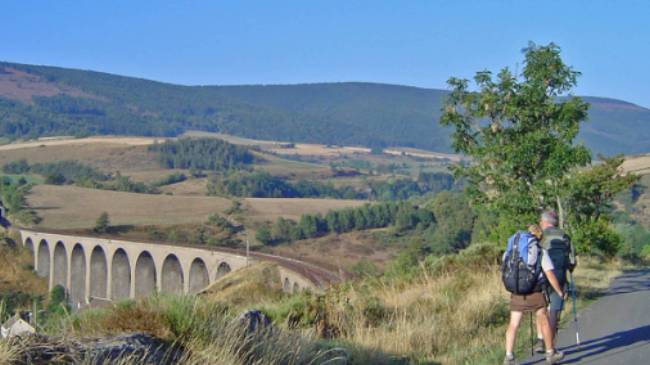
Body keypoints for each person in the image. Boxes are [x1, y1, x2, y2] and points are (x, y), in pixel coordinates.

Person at [503, 222, 566, 365]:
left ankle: (508, 357)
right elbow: (550, 274)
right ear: (539, 236)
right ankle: (550, 353)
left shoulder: (512, 251)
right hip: (535, 293)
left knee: (513, 324)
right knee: (543, 320)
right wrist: (559, 291)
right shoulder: (540, 251)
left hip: (517, 293)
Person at [534, 210, 577, 353]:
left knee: (541, 309)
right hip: (559, 278)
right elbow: (572, 261)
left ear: (545, 222)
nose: (540, 223)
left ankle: (540, 339)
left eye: (540, 221)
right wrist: (568, 269)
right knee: (554, 313)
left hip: (541, 278)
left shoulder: (540, 237)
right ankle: (549, 345)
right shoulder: (565, 236)